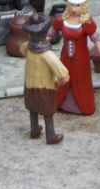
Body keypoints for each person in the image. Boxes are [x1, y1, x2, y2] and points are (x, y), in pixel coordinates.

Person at [51, 1, 100, 117]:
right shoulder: (61, 20)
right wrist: (39, 44)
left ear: (82, 6)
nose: (74, 8)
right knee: (64, 77)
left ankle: (82, 105)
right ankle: (62, 102)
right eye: (71, 5)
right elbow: (50, 33)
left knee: (81, 80)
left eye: (77, 5)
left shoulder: (86, 23)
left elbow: (96, 41)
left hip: (81, 59)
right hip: (65, 57)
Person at [20, 14, 70, 145]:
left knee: (33, 108)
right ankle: (50, 135)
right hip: (45, 87)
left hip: (29, 84)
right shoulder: (48, 55)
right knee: (48, 112)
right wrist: (56, 84)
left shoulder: (28, 47)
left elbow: (21, 50)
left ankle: (34, 129)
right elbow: (64, 76)